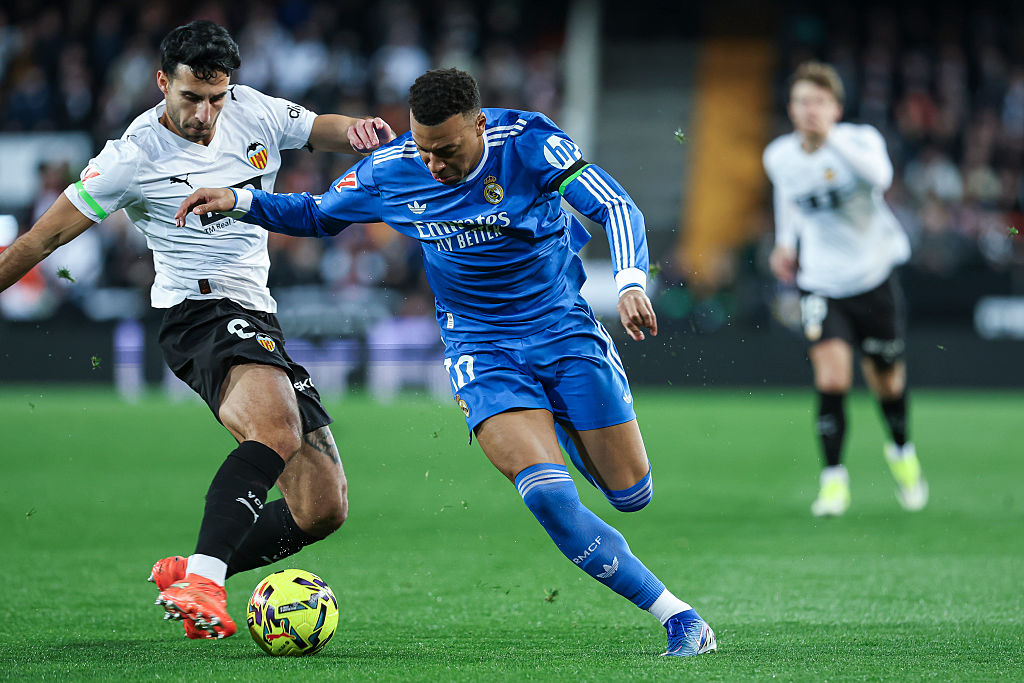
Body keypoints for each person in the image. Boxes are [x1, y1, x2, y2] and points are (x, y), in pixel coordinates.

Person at [176, 67, 717, 657]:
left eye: (448, 151)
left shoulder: (530, 143)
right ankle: (679, 617)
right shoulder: (393, 169)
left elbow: (614, 205)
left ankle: (563, 417)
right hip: (481, 350)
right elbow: (317, 214)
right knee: (547, 496)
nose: (433, 164)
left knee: (631, 493)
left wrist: (632, 281)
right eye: (424, 149)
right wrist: (240, 200)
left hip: (562, 332)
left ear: (479, 124)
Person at [0, 20, 395, 639]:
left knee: (322, 507)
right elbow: (39, 240)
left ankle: (191, 571)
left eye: (216, 97)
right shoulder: (131, 156)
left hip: (257, 314)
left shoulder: (252, 109)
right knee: (275, 429)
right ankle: (204, 584)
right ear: (163, 83)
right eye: (192, 98)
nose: (206, 114)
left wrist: (360, 131)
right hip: (198, 312)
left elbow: (323, 128)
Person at [763, 61, 928, 517]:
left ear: (836, 108)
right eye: (802, 101)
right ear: (791, 108)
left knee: (887, 383)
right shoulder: (779, 156)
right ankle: (834, 480)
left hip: (873, 278)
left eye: (819, 101)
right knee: (832, 379)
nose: (810, 110)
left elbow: (881, 178)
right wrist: (785, 242)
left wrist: (830, 139)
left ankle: (901, 451)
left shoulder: (860, 141)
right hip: (821, 282)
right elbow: (788, 195)